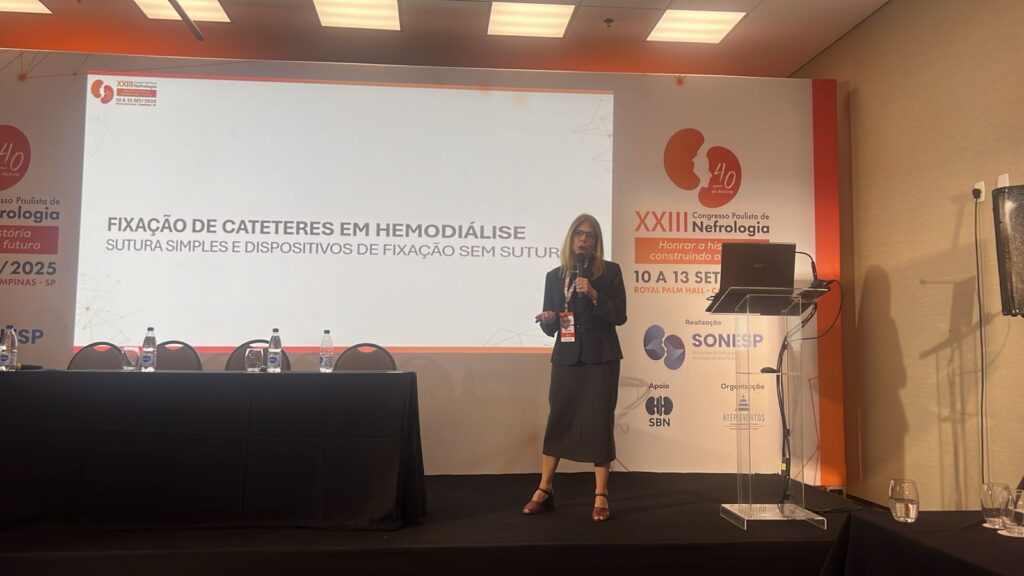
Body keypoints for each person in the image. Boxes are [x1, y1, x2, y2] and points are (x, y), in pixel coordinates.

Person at [523, 213, 627, 522]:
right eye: (579, 234)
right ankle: (544, 489)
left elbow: (619, 315)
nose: (583, 239)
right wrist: (548, 319)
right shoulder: (554, 276)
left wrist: (594, 294)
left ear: (596, 242)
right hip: (567, 357)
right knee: (559, 419)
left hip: (601, 358)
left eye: (589, 235)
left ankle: (601, 494)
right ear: (571, 239)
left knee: (599, 421)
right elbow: (551, 328)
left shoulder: (610, 272)